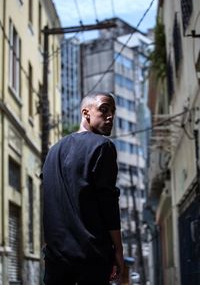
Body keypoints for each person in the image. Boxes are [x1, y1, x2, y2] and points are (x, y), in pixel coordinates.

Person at [42, 91, 124, 285]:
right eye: (104, 109)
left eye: (113, 111)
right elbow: (108, 202)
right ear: (86, 113)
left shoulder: (53, 152)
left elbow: (48, 204)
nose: (110, 116)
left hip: (55, 260)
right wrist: (118, 250)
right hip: (91, 257)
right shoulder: (103, 147)